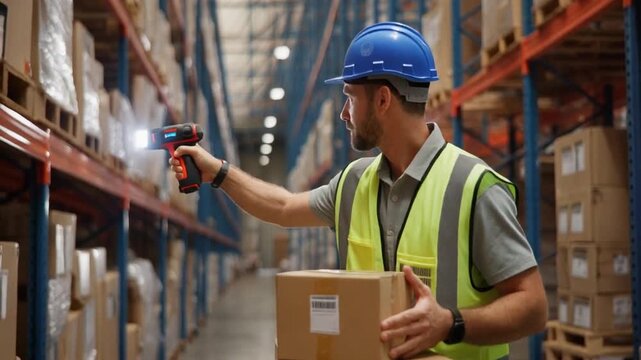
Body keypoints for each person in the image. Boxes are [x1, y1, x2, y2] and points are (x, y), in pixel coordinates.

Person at [170, 22, 547, 360]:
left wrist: (450, 323)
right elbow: (283, 207)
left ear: (383, 100)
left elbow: (532, 306)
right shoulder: (354, 182)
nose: (343, 114)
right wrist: (216, 172)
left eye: (350, 98)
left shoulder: (473, 185)